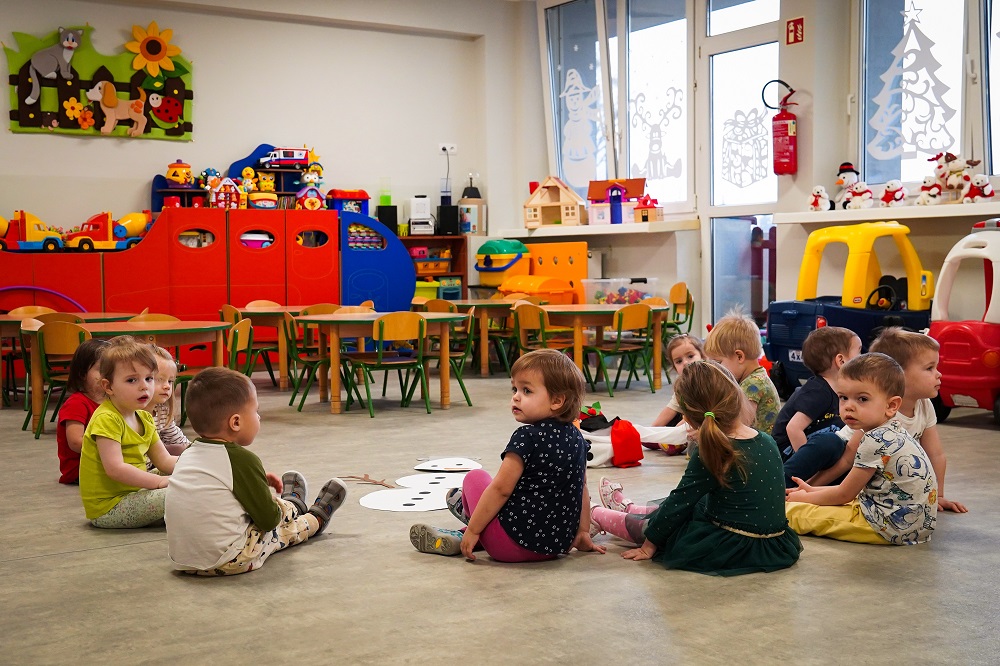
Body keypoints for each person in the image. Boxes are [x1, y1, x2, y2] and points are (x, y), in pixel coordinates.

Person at [592, 360, 801, 576]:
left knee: (675, 516)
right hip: (775, 544)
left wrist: (649, 545)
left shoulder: (713, 451)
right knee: (699, 502)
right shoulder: (766, 439)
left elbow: (679, 503)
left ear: (688, 416)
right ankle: (632, 509)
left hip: (733, 546)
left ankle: (595, 514)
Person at [409, 349, 605, 562]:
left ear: (557, 401)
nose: (516, 397)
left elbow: (501, 490)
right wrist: (582, 533)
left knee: (476, 478)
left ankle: (471, 532)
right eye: (515, 388)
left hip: (509, 546)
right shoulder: (577, 437)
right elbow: (581, 488)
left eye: (527, 391)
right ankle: (471, 532)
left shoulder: (527, 436)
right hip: (555, 546)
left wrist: (474, 530)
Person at [165, 367, 348, 575]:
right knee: (279, 531)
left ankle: (293, 504)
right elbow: (268, 520)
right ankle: (314, 518)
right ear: (236, 422)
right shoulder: (242, 459)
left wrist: (258, 481)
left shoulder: (188, 454)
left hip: (183, 561)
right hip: (227, 561)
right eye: (255, 411)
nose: (259, 417)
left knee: (257, 509)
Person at [809, 328, 967, 513]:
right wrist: (809, 489)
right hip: (842, 464)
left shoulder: (925, 406)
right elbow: (845, 461)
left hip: (872, 470)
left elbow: (936, 455)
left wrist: (937, 496)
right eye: (929, 368)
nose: (938, 374)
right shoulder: (878, 415)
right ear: (898, 374)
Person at [785, 353, 938, 545]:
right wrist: (811, 491)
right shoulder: (893, 430)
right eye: (843, 398)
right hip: (915, 525)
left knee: (791, 512)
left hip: (887, 526)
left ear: (891, 406)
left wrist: (805, 499)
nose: (849, 406)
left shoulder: (874, 440)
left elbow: (844, 494)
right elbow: (851, 491)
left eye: (862, 399)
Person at [79, 336, 177, 528]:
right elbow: (115, 469)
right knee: (183, 491)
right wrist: (158, 482)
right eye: (132, 380)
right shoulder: (107, 418)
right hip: (111, 507)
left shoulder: (144, 417)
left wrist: (197, 466)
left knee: (192, 479)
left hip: (136, 492)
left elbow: (164, 461)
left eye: (149, 378)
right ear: (108, 386)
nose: (144, 386)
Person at [773, 326, 861, 487]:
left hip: (815, 448)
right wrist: (808, 463)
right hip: (788, 453)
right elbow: (793, 428)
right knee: (833, 444)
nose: (861, 358)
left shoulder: (840, 391)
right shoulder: (818, 391)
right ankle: (782, 486)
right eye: (859, 352)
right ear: (841, 361)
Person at [703, 308, 780, 434]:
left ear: (739, 356)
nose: (715, 369)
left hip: (756, 449)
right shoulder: (753, 377)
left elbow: (739, 425)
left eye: (718, 362)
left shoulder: (753, 384)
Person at [56, 338, 110, 484]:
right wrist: (111, 448)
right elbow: (75, 443)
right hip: (80, 469)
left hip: (106, 462)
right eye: (101, 370)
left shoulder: (113, 401)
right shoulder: (76, 404)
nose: (107, 375)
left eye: (111, 370)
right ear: (82, 374)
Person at [651, 333, 705, 429]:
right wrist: (651, 430)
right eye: (679, 361)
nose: (685, 363)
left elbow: (697, 415)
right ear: (675, 368)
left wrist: (675, 432)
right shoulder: (682, 385)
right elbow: (671, 409)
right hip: (689, 422)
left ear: (703, 356)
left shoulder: (711, 378)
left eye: (690, 356)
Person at [147, 346, 190, 456]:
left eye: (170, 381)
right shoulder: (130, 414)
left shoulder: (162, 411)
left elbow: (178, 440)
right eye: (159, 379)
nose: (167, 386)